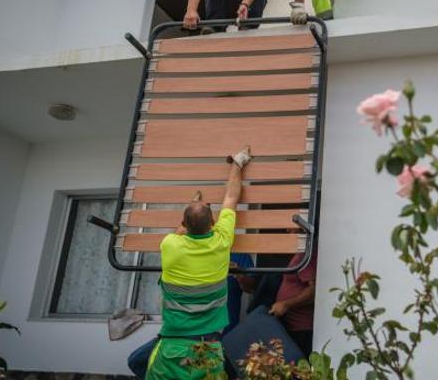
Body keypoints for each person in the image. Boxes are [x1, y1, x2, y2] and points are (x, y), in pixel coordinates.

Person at [143, 147, 251, 379]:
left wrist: (193, 204)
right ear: (213, 223)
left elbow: (180, 231)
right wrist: (237, 163)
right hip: (208, 349)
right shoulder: (222, 241)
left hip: (172, 348)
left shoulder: (171, 246)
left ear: (184, 223)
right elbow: (231, 197)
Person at [126, 253, 253, 379]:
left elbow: (253, 288)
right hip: (184, 333)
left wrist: (239, 274)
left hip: (221, 338)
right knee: (138, 360)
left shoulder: (239, 256)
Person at [236, 246, 318, 356]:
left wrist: (286, 304)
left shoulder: (306, 256)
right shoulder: (297, 255)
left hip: (300, 328)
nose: (287, 231)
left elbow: (314, 291)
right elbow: (251, 288)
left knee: (298, 365)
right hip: (286, 325)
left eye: (291, 229)